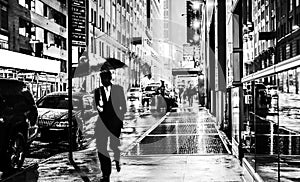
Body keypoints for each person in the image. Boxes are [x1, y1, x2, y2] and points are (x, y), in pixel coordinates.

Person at [94, 70, 127, 182]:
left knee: (114, 146)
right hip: (102, 124)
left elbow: (124, 107)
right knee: (101, 148)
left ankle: (117, 160)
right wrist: (99, 107)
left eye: (105, 79)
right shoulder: (97, 92)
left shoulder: (118, 89)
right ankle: (106, 173)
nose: (103, 81)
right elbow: (96, 107)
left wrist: (119, 119)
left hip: (114, 124)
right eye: (102, 79)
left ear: (110, 78)